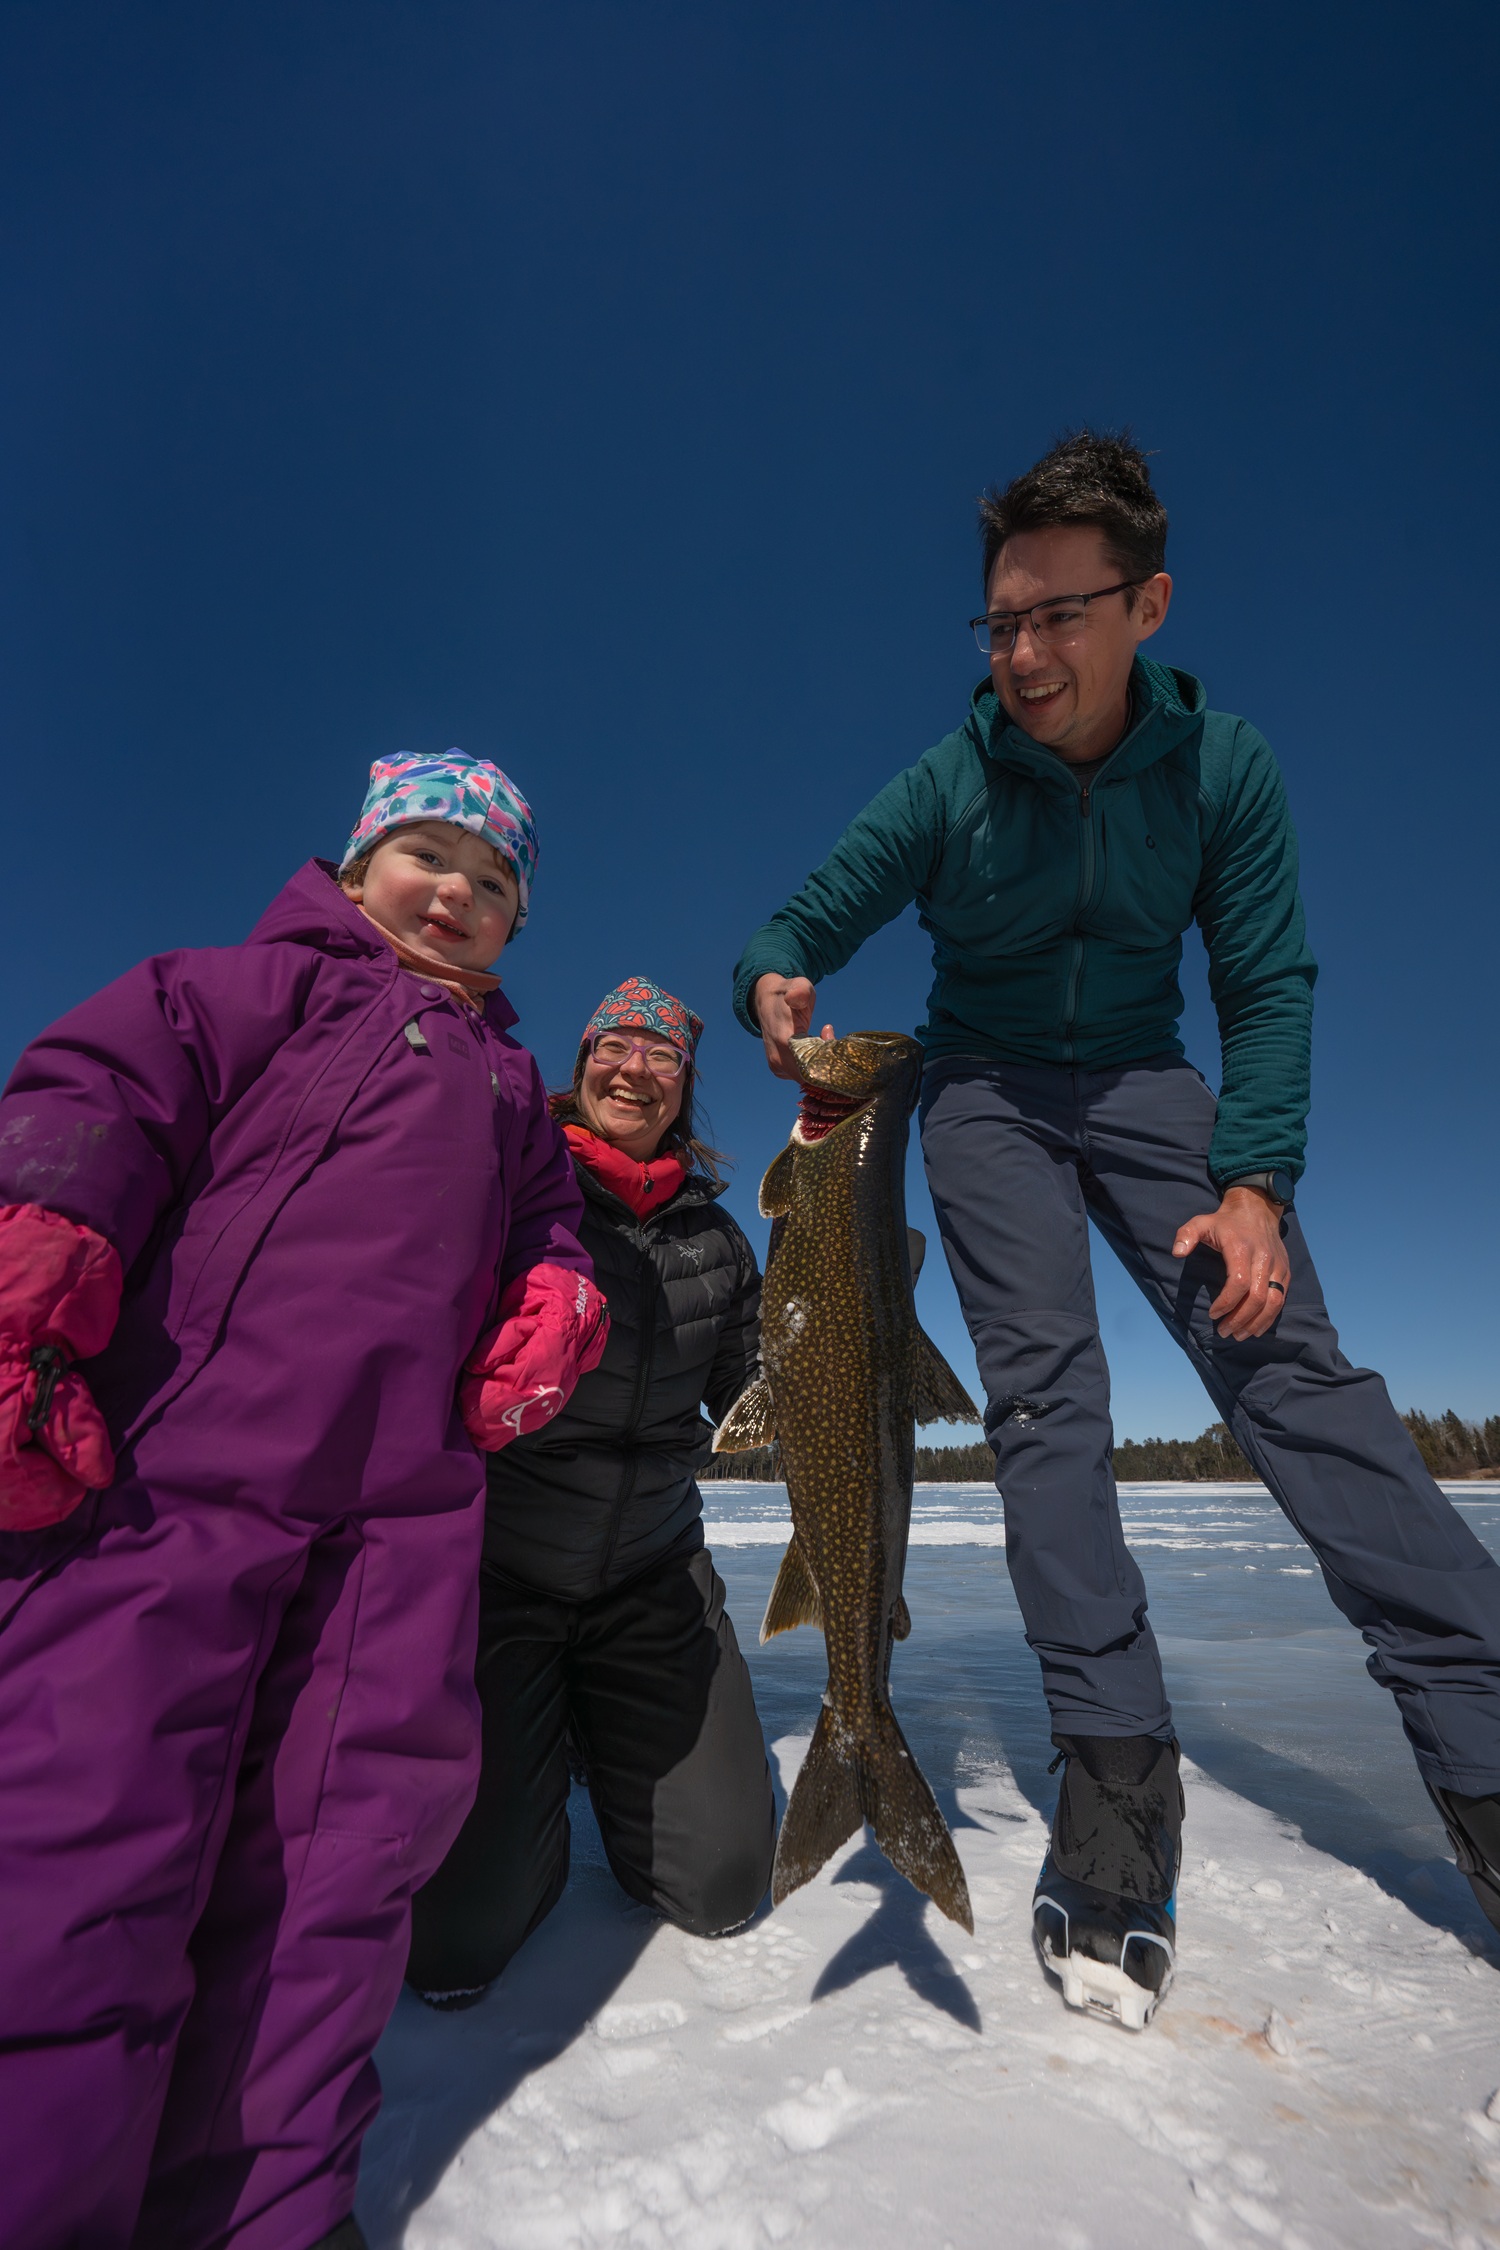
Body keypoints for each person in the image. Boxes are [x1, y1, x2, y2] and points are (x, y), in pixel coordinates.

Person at [732, 432, 1500, 2027]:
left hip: (1153, 1087)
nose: (1021, 654)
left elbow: (1268, 984)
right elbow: (803, 915)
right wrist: (775, 978)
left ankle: (1489, 1747)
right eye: (998, 622)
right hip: (995, 1096)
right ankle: (1116, 1775)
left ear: (1147, 605)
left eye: (1057, 617)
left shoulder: (1227, 770)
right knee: (1046, 1411)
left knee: (1291, 1370)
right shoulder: (951, 785)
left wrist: (1255, 1183)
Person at [0, 751, 608, 2250]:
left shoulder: (517, 1094)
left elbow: (549, 1224)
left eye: (497, 881)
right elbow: (98, 1096)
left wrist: (559, 1294)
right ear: (350, 869)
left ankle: (262, 2207)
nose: (458, 889)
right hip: (160, 1486)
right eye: (427, 854)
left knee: (336, 1876)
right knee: (86, 1840)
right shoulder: (225, 988)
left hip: (398, 1531)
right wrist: (41, 1255)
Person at [407, 976, 776, 2010]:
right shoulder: (519, 1194)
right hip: (501, 1577)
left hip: (650, 1577)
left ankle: (602, 1730)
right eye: (615, 1045)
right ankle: (542, 1734)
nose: (636, 1067)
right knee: (452, 1945)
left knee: (721, 1887)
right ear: (580, 1068)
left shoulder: (716, 1240)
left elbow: (753, 1399)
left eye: (663, 1055)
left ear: (684, 1087)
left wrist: (813, 1309)